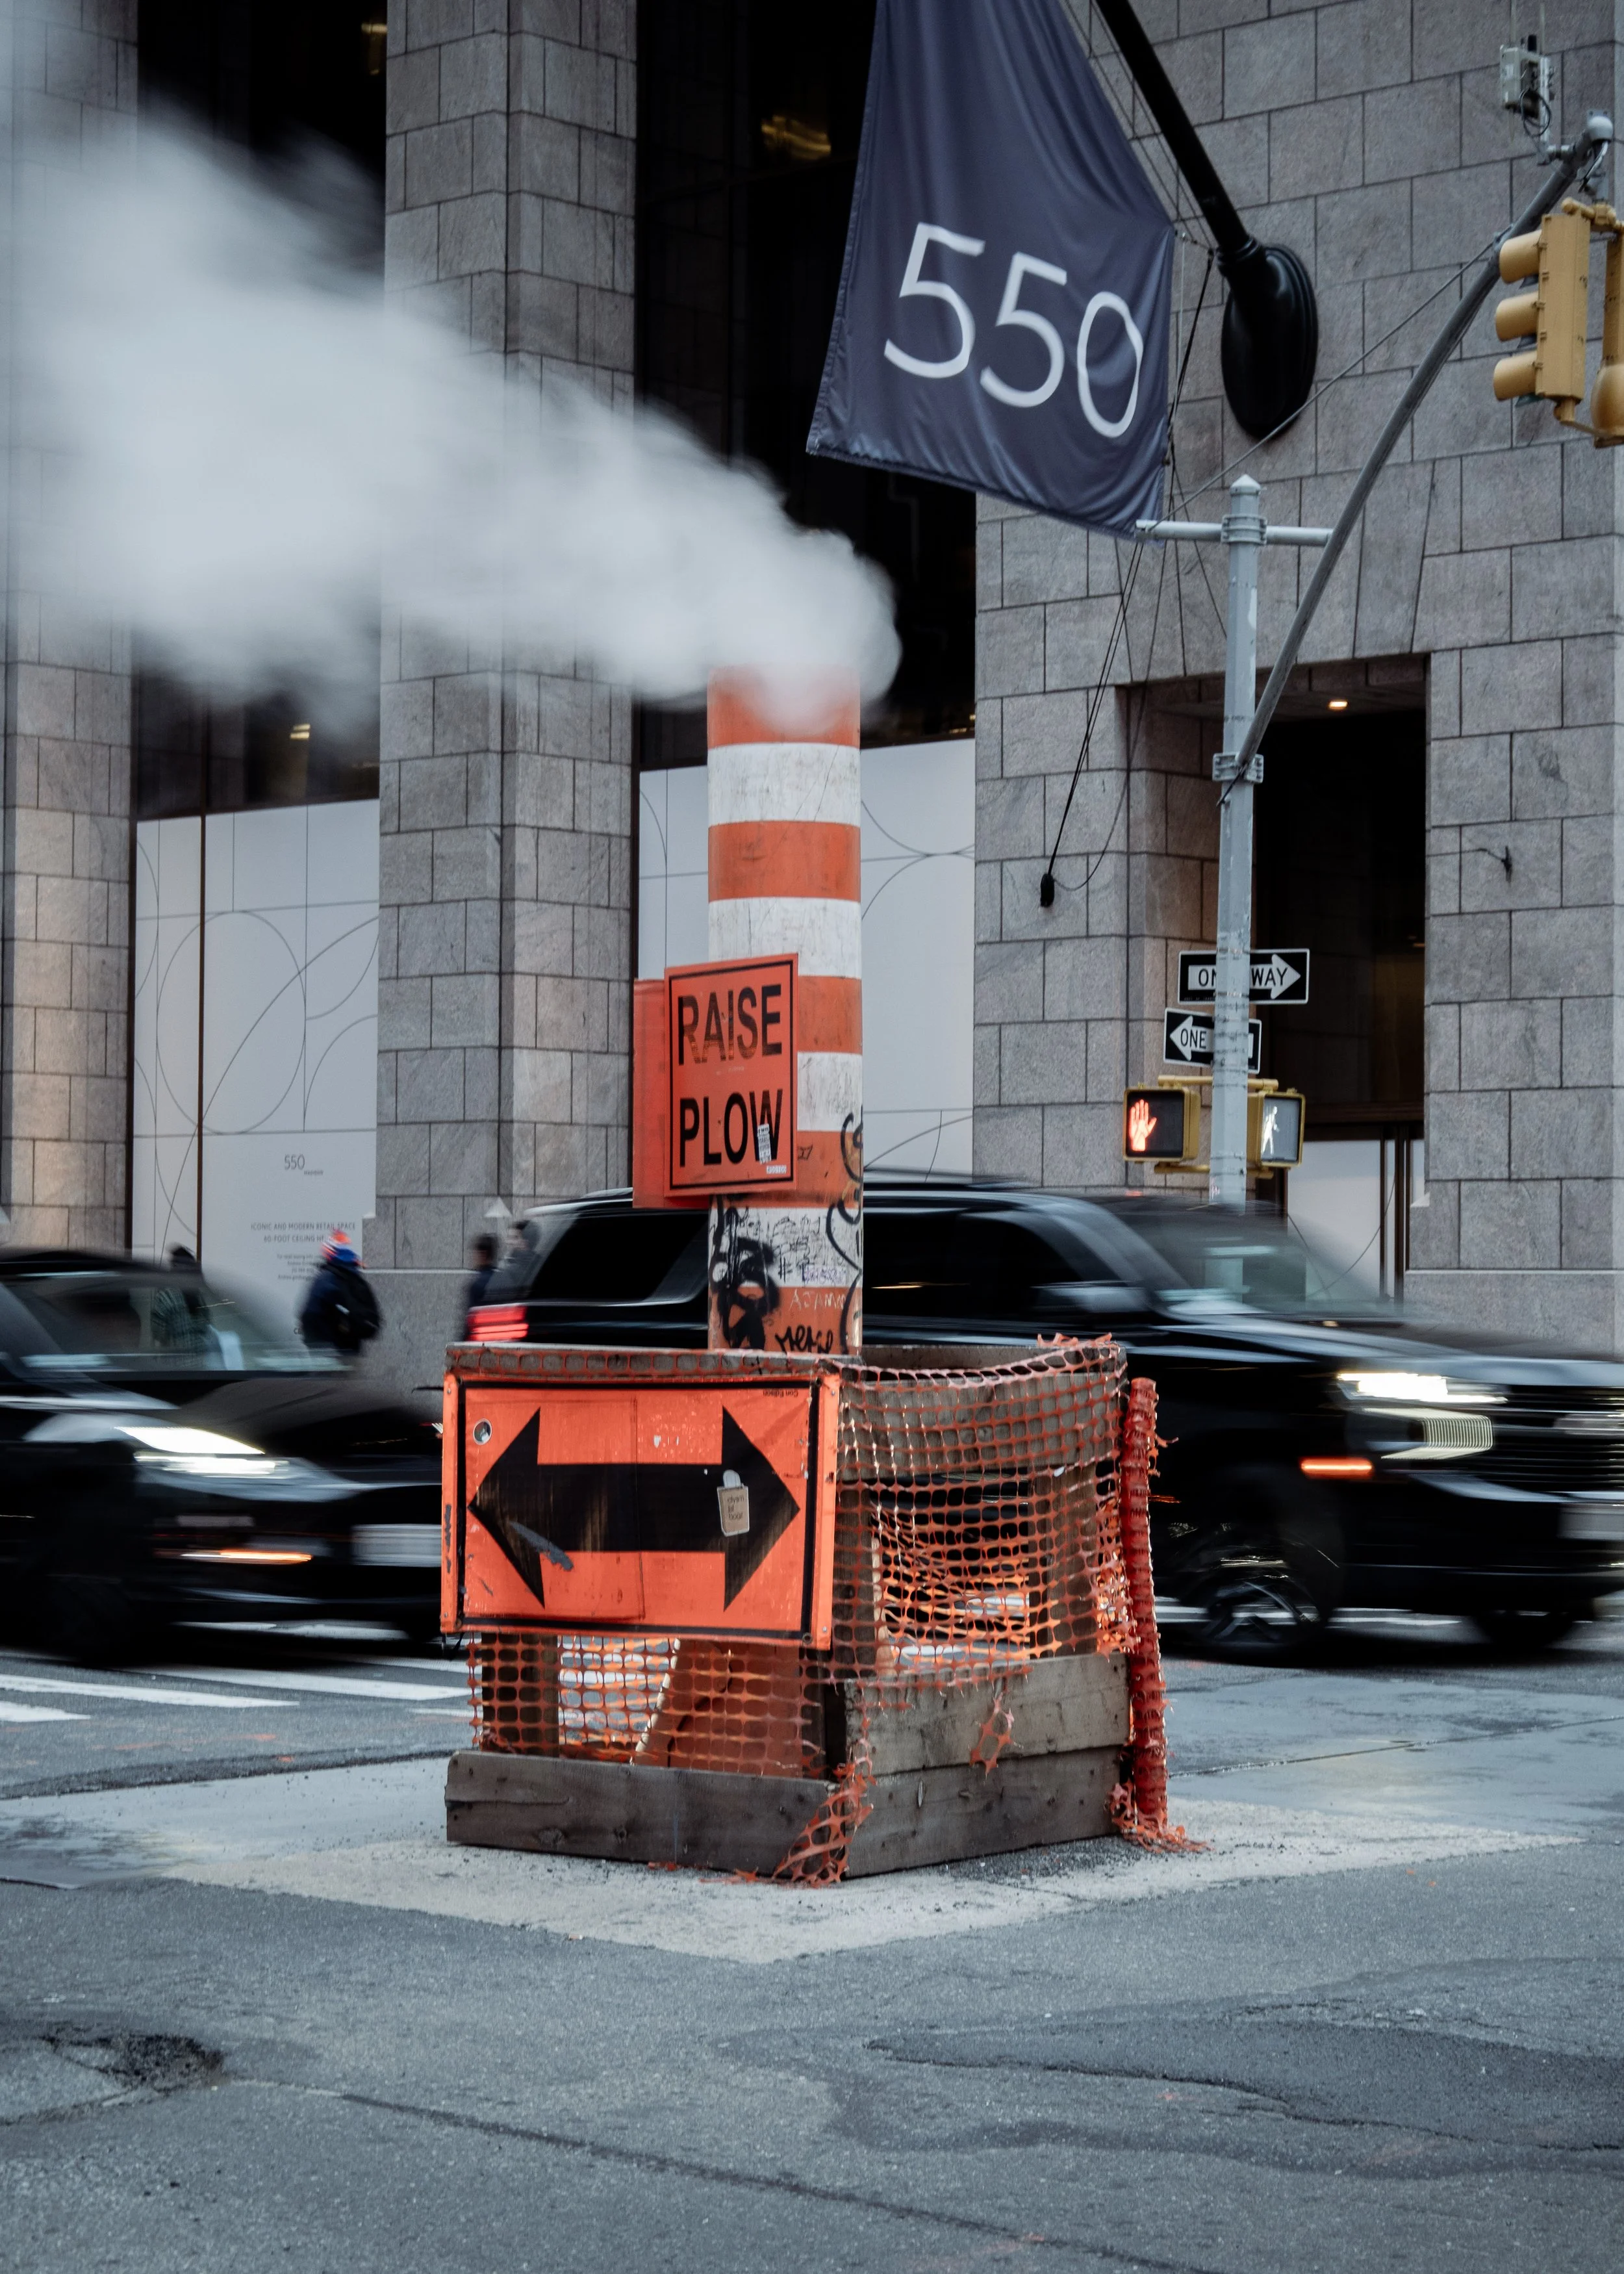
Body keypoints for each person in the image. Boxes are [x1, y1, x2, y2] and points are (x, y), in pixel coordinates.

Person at [299, 1230, 380, 1359]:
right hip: (349, 1348)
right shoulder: (352, 1276)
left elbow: (310, 1315)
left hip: (331, 1352)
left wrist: (314, 1345)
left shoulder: (326, 1280)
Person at [461, 1232, 498, 1339]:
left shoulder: (478, 1284)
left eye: (475, 1254)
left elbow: (470, 1322)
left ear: (483, 1255)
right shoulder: (501, 1279)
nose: (473, 1258)